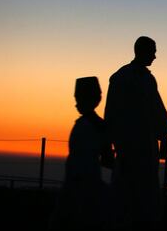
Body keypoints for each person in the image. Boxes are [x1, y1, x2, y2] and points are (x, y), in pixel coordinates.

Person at [104, 36, 167, 229]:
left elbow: (156, 109)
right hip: (128, 145)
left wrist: (164, 137)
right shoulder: (121, 78)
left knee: (146, 193)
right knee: (126, 193)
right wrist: (108, 144)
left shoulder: (148, 79)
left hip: (147, 145)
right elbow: (112, 112)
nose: (155, 56)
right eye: (153, 52)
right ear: (142, 51)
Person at [49, 76, 114, 230]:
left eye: (79, 97)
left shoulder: (91, 126)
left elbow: (106, 159)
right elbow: (108, 160)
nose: (76, 103)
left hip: (81, 186)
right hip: (85, 185)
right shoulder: (101, 126)